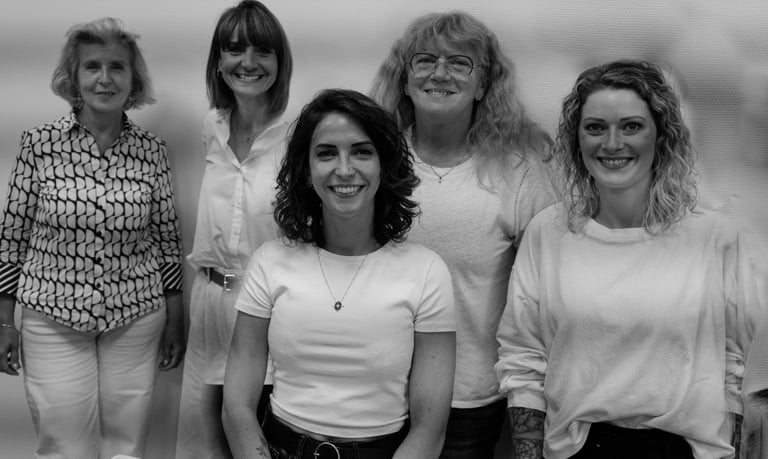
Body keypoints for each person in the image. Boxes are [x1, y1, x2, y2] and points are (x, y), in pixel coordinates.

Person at [495, 59, 764, 458]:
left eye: (631, 126)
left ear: (662, 135)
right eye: (595, 127)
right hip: (578, 449)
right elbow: (523, 360)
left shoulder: (716, 237)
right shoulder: (547, 232)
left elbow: (734, 364)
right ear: (576, 139)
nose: (612, 143)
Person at [222, 88, 456, 459]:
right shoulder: (269, 261)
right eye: (326, 153)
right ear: (306, 169)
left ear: (384, 165)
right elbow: (237, 406)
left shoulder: (427, 271)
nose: (344, 169)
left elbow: (430, 429)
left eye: (361, 152)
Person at [369, 11, 555, 458]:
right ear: (405, 78)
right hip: (372, 391)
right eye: (425, 60)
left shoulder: (518, 174)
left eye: (459, 62)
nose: (440, 73)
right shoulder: (370, 159)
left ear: (484, 84)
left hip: (468, 402)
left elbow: (546, 294)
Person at [0, 17, 184, 459]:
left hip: (136, 314)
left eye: (117, 67)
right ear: (73, 77)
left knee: (126, 445)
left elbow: (167, 240)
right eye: (92, 67)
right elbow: (12, 237)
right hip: (52, 315)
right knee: (65, 446)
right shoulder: (38, 145)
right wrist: (4, 320)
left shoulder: (152, 151)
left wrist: (176, 317)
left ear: (133, 79)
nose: (105, 79)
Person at [175, 1, 293, 458]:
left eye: (262, 51)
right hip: (208, 305)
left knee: (257, 440)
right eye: (235, 49)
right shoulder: (212, 127)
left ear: (279, 62)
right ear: (218, 61)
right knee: (203, 446)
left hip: (266, 314)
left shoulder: (296, 136)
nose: (248, 62)